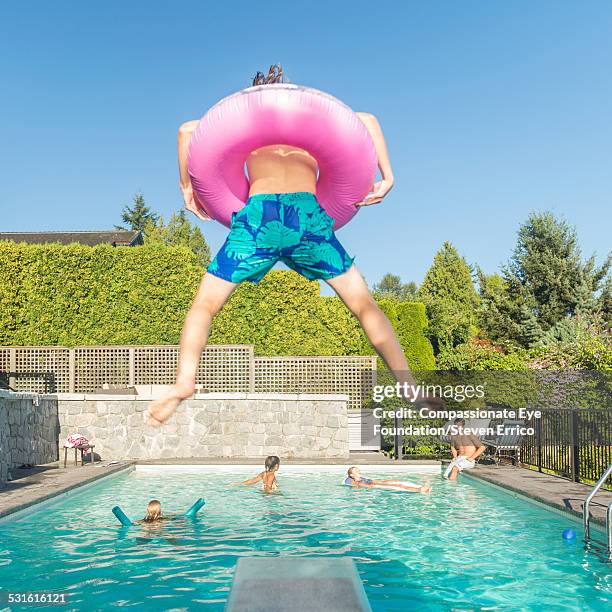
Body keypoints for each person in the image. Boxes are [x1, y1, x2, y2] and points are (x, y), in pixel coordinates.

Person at [147, 63, 424, 426]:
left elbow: (186, 131)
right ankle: (407, 387)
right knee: (364, 307)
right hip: (306, 217)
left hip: (258, 217)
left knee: (204, 306)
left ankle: (184, 381)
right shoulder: (317, 128)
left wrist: (187, 190)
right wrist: (388, 176)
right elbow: (367, 120)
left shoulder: (248, 136)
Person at [344, 466, 432, 493]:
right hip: (371, 485)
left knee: (395, 482)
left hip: (372, 482)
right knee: (398, 485)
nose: (357, 470)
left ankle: (423, 488)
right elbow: (359, 485)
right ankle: (419, 489)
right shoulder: (351, 480)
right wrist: (369, 486)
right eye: (355, 470)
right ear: (351, 474)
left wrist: (388, 481)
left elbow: (375, 480)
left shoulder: (362, 477)